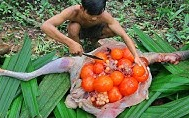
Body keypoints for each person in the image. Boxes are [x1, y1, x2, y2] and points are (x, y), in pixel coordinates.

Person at [40, 0, 144, 66]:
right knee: (73, 28)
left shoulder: (104, 15)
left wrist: (135, 55)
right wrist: (71, 43)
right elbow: (46, 26)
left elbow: (123, 34)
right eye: (90, 14)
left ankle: (94, 41)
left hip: (95, 31)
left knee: (112, 29)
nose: (94, 18)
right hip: (79, 31)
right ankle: (80, 52)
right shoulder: (72, 12)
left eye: (98, 15)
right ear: (82, 8)